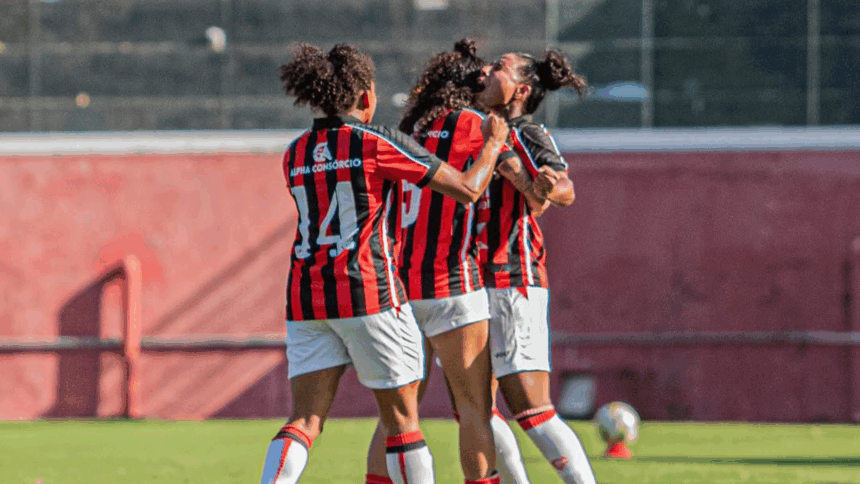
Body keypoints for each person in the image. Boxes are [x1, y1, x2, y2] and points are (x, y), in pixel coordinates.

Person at [259, 43, 510, 484]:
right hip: (368, 290)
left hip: (306, 298)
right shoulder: (374, 140)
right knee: (402, 421)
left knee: (304, 421)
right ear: (365, 97)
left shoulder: (294, 152)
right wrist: (492, 147)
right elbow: (469, 190)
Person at [364, 39, 529, 484]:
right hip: (454, 284)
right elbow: (525, 183)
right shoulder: (478, 125)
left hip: (399, 288)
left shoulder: (408, 129)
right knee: (475, 407)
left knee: (399, 413)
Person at [474, 49, 598, 484]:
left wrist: (549, 185)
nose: (485, 72)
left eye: (498, 69)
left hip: (512, 278)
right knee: (473, 410)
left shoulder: (526, 132)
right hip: (467, 283)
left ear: (521, 90)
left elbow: (564, 187)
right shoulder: (475, 130)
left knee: (530, 407)